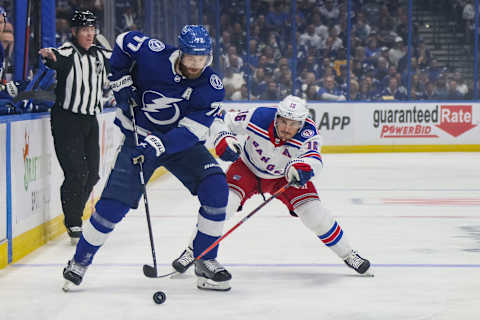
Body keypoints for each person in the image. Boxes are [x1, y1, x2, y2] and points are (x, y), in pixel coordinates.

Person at [62, 25, 233, 292]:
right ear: (180, 53)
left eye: (202, 59)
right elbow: (122, 41)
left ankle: (206, 259)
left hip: (180, 145)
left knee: (217, 188)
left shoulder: (211, 86)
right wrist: (120, 80)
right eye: (191, 58)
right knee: (111, 208)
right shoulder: (153, 53)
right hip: (137, 139)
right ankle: (79, 261)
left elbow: (191, 132)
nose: (196, 65)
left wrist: (158, 144)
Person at [172, 95, 372, 277]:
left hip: (285, 177)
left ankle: (349, 254)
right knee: (221, 207)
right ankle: (193, 251)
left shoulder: (310, 134)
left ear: (301, 124)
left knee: (315, 216)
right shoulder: (259, 116)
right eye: (283, 121)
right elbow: (221, 119)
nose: (286, 128)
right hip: (247, 168)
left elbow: (314, 159)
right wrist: (225, 138)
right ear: (276, 117)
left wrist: (303, 169)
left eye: (293, 124)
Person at [38, 10, 110, 244]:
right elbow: (57, 58)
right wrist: (49, 56)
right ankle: (74, 222)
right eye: (85, 30)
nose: (90, 34)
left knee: (93, 174)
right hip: (67, 121)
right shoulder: (68, 52)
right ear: (74, 32)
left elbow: (121, 63)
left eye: (92, 30)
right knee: (76, 173)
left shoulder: (100, 55)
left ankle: (74, 215)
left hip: (90, 120)